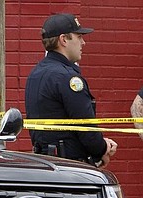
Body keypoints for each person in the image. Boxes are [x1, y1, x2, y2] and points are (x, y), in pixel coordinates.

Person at [25, 13, 117, 167]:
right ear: (64, 40)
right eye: (79, 37)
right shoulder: (68, 78)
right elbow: (85, 127)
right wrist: (102, 148)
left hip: (44, 164)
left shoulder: (35, 73)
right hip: (71, 167)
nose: (83, 42)